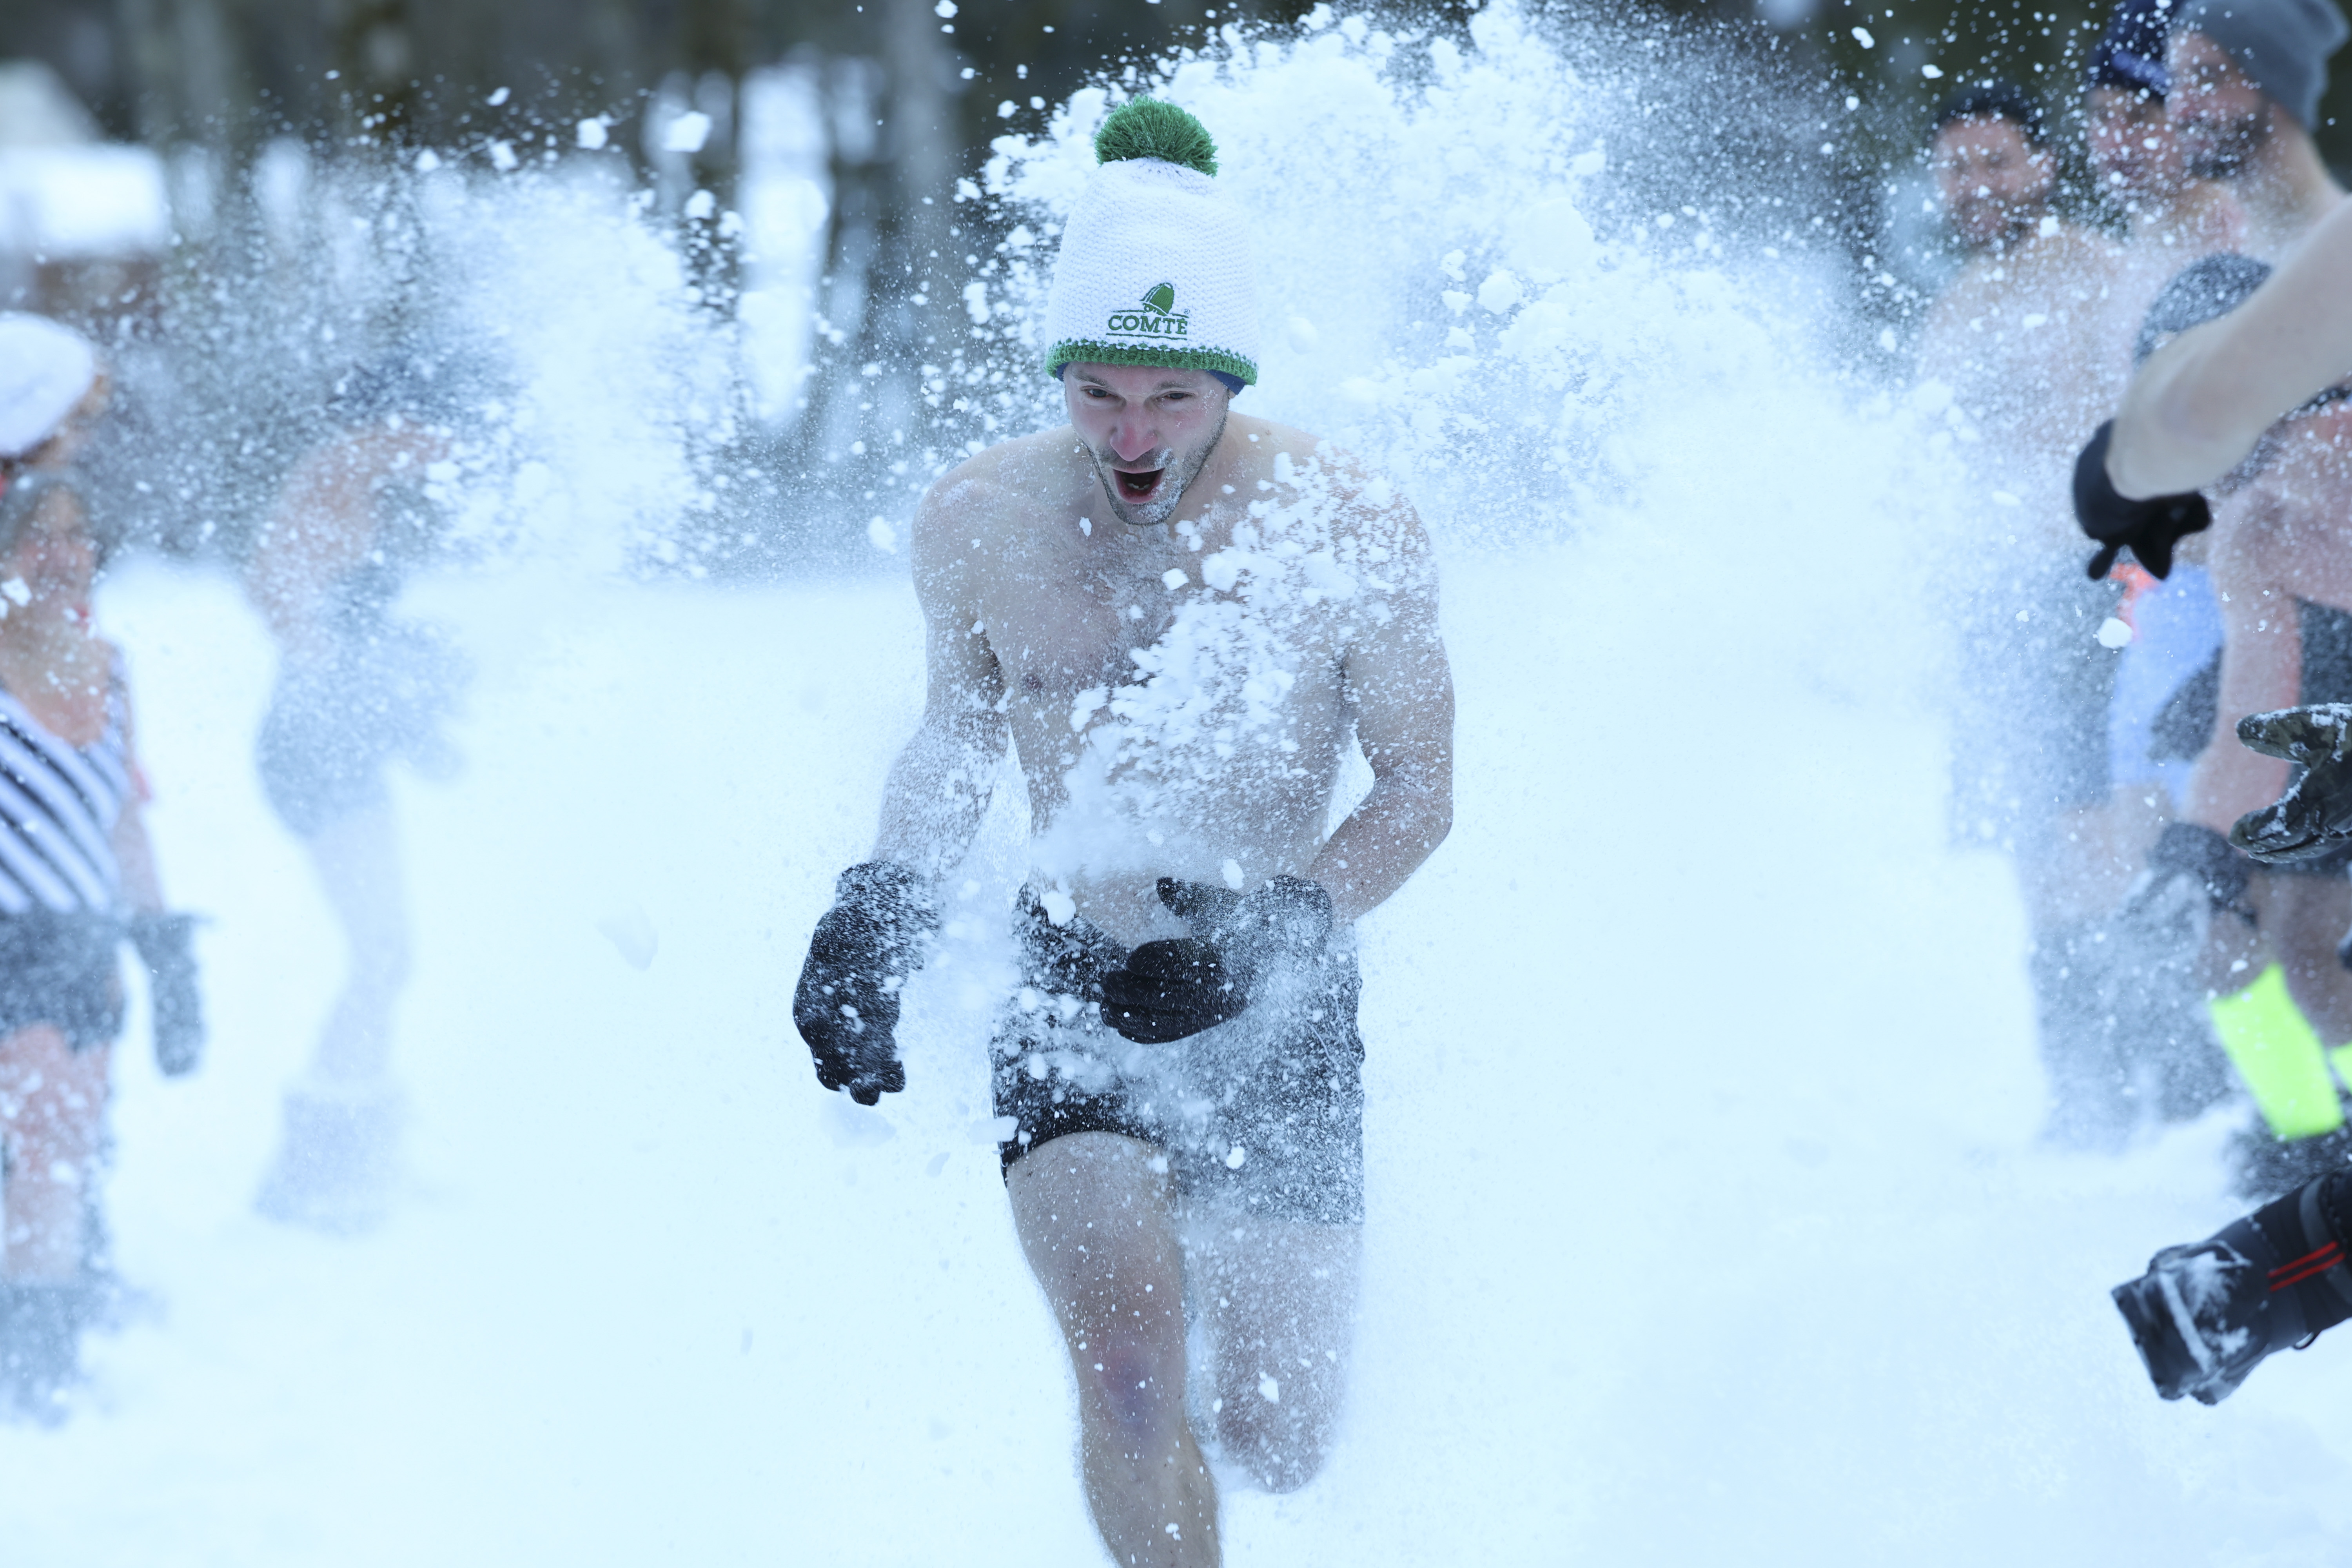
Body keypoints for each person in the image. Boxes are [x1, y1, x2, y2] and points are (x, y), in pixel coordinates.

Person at [791, 100, 1453, 1566]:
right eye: (1097, 393)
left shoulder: (1345, 520)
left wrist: (1285, 925)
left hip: (1275, 991)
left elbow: (1418, 789)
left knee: (1277, 1432)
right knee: (1131, 1373)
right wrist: (875, 907)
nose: (1132, 436)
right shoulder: (980, 515)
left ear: (1230, 377)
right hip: (1070, 983)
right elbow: (956, 740)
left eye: (1169, 395)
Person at [1918, 83, 2161, 1145]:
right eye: (1958, 168)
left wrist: (2137, 587)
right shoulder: (1954, 311)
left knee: (2100, 840)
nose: (1977, 186)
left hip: (2096, 591)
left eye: (1998, 162)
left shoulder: (2102, 278)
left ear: (2044, 168)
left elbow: (2157, 443)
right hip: (1996, 604)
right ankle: (2080, 1095)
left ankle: (2146, 1089)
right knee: (2032, 848)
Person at [0, 314, 203, 1422]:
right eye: (39, 536)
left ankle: (62, 1298)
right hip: (9, 947)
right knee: (38, 1150)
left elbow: (124, 817)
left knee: (76, 1138)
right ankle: (37, 1367)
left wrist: (166, 950)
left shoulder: (111, 664)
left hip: (86, 947)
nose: (61, 554)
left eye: (78, 538)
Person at [244, 354, 467, 1234]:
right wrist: (379, 702)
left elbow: (347, 643)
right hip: (313, 756)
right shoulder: (332, 481)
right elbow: (288, 615)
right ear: (389, 422)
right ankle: (312, 1171)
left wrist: (405, 711)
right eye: (431, 426)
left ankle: (356, 1150)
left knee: (388, 955)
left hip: (344, 750)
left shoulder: (359, 489)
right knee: (381, 955)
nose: (443, 446)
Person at [2166, 0, 2348, 258]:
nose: (2180, 110)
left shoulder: (2343, 248)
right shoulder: (2202, 253)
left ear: (2278, 88)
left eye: (2208, 79)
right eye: (2177, 81)